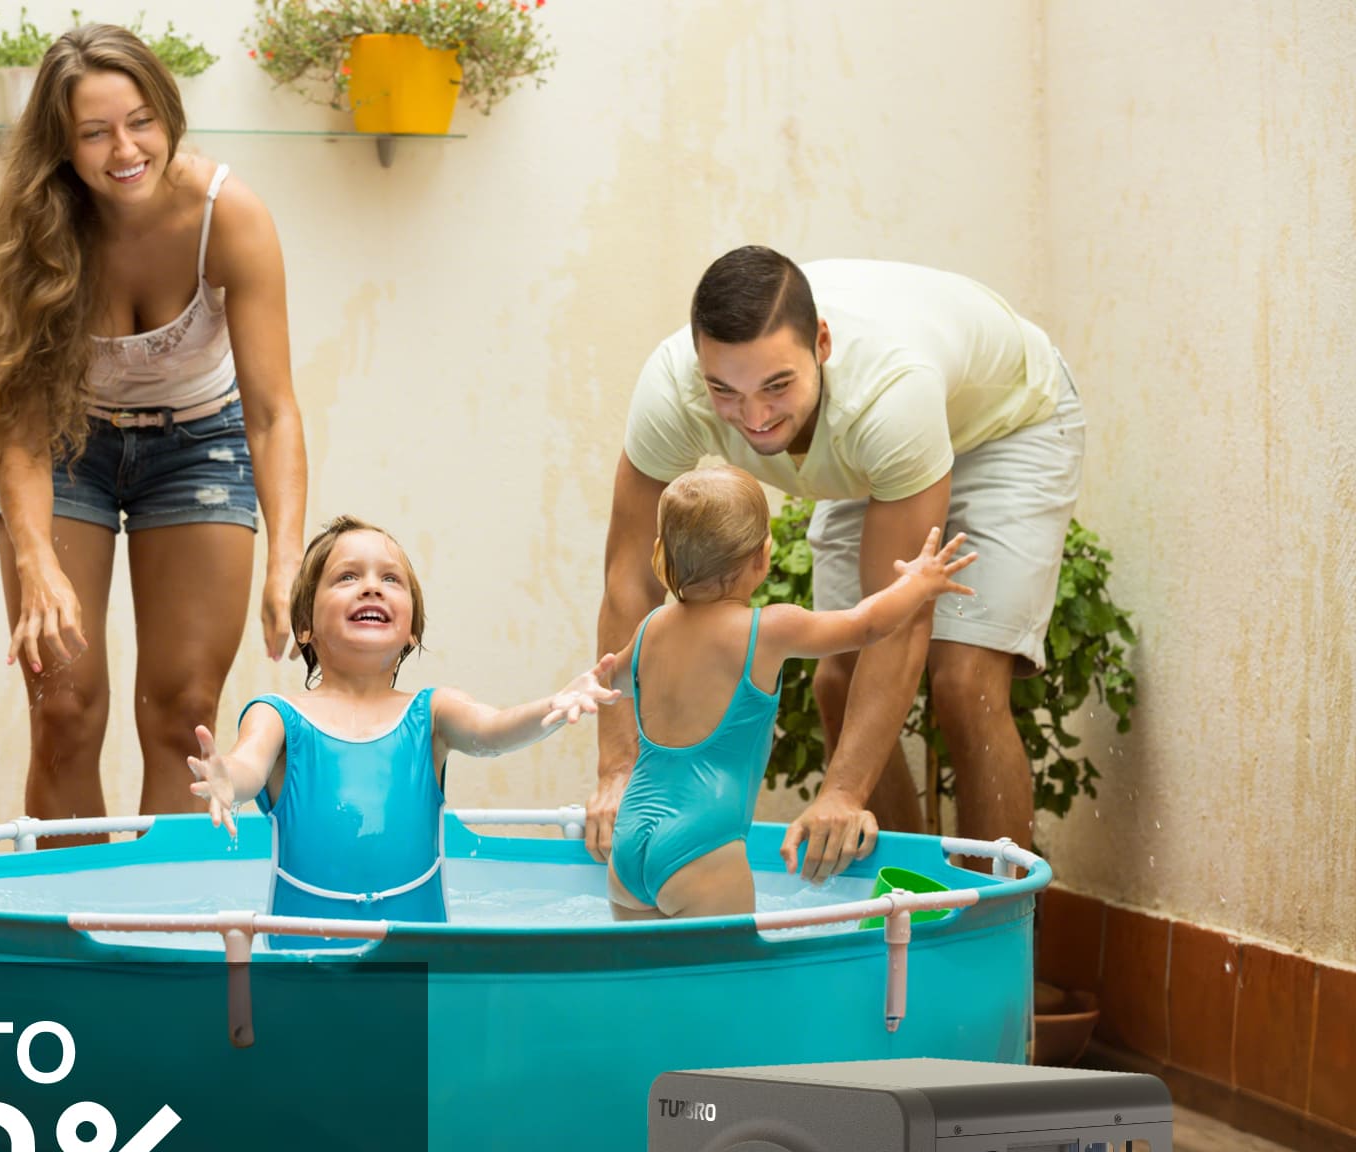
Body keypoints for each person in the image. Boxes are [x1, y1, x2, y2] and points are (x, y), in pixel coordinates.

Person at [591, 248, 1085, 879]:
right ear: (699, 366)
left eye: (776, 385)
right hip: (872, 459)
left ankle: (994, 936)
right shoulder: (671, 390)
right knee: (839, 676)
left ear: (821, 343)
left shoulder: (888, 393)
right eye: (726, 391)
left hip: (1008, 427)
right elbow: (630, 581)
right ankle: (906, 907)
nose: (755, 417)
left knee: (964, 679)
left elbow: (900, 616)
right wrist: (617, 770)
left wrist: (843, 792)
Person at [0, 23, 308, 830]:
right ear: (62, 147)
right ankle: (78, 934)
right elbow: (22, 429)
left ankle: (164, 935)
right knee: (64, 709)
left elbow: (272, 413)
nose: (124, 148)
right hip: (65, 449)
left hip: (201, 445)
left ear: (168, 112)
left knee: (184, 713)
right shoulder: (36, 229)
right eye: (94, 133)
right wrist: (35, 563)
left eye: (140, 121)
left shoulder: (226, 215)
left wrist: (286, 563)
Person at [187, 517, 619, 934]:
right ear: (304, 627)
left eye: (391, 579)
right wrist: (228, 782)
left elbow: (494, 730)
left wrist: (554, 707)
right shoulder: (278, 715)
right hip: (301, 965)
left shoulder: (432, 713)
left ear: (412, 629)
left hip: (416, 966)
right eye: (347, 577)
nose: (372, 586)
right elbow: (248, 765)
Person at [607, 466, 975, 920]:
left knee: (643, 986)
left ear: (661, 553)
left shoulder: (650, 629)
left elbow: (608, 682)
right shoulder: (767, 631)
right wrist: (918, 582)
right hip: (702, 848)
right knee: (730, 988)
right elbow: (866, 625)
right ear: (762, 557)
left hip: (629, 841)